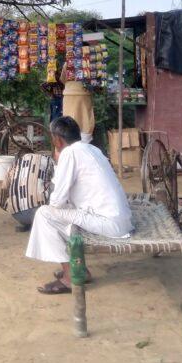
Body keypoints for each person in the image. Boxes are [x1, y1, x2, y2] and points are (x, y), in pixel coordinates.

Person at [25, 116, 133, 294]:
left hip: (107, 222)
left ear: (57, 139)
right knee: (62, 213)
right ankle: (79, 268)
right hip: (120, 220)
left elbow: (57, 201)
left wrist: (58, 162)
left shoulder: (69, 153)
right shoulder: (93, 149)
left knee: (44, 214)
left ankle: (71, 277)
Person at [61, 79, 95, 143]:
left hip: (69, 93)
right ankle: (84, 142)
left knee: (69, 123)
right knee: (85, 122)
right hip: (83, 93)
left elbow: (63, 78)